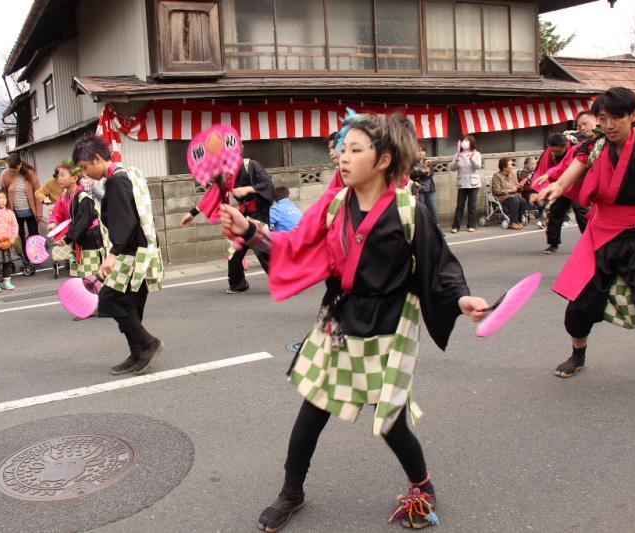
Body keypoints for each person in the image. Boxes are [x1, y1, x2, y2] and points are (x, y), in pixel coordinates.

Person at [219, 112, 489, 532]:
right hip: (340, 321)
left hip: (387, 324)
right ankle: (292, 492)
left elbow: (439, 267)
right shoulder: (334, 205)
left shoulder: (408, 211)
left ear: (383, 160)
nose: (342, 158)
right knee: (312, 409)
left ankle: (423, 487)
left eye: (354, 150)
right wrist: (251, 231)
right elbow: (297, 243)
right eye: (342, 150)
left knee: (390, 421)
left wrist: (460, 298)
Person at [539, 87, 635, 393]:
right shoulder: (595, 146)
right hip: (601, 232)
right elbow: (574, 170)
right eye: (603, 118)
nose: (608, 125)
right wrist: (557, 187)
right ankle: (577, 354)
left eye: (616, 118)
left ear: (633, 116)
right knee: (581, 301)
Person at [73, 133, 164, 376]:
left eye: (84, 167)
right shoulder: (127, 174)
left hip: (131, 252)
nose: (85, 173)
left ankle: (147, 344)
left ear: (97, 158)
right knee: (130, 305)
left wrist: (113, 254)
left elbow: (125, 220)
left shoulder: (116, 181)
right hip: (141, 250)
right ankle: (138, 354)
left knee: (111, 299)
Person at [181, 154, 274, 293]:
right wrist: (192, 213)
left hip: (259, 214)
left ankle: (286, 280)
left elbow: (268, 185)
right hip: (242, 215)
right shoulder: (226, 176)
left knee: (262, 250)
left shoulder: (251, 165)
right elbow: (213, 194)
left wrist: (248, 189)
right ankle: (238, 283)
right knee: (234, 250)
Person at [532, 112, 597, 254]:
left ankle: (592, 242)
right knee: (555, 211)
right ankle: (553, 243)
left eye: (585, 124)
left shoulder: (581, 144)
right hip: (563, 185)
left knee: (582, 212)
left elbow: (567, 164)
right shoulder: (582, 146)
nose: (582, 128)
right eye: (579, 125)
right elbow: (561, 166)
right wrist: (547, 176)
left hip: (580, 185)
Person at [52, 164, 106, 278]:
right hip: (78, 237)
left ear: (74, 178)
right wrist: (53, 222)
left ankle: (96, 294)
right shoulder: (65, 196)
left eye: (62, 175)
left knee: (93, 274)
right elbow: (58, 212)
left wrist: (67, 238)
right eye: (58, 176)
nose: (59, 178)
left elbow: (83, 222)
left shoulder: (83, 196)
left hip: (89, 238)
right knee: (83, 274)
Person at [0, 153, 42, 264]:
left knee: (34, 235)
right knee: (20, 236)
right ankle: (26, 258)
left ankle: (37, 257)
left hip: (30, 211)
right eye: (10, 168)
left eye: (15, 168)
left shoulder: (30, 173)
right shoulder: (5, 175)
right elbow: (2, 193)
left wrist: (39, 212)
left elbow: (38, 193)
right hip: (15, 213)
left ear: (20, 164)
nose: (12, 170)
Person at [450, 134, 482, 233]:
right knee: (460, 205)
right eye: (463, 140)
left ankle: (471, 225)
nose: (465, 142)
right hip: (462, 183)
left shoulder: (476, 154)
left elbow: (478, 166)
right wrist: (456, 161)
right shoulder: (457, 154)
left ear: (471, 142)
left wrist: (471, 158)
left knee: (472, 206)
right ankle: (456, 226)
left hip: (473, 183)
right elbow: (452, 168)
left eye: (467, 140)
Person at [491, 157, 529, 230]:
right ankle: (512, 222)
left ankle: (518, 221)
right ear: (504, 167)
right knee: (514, 201)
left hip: (514, 195)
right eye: (510, 165)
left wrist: (519, 187)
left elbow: (517, 185)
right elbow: (496, 190)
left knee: (522, 201)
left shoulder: (513, 174)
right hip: (503, 197)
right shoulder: (496, 176)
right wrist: (509, 191)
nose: (512, 166)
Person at [410, 142, 438, 228]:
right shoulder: (412, 163)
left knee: (433, 212)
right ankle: (421, 231)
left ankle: (436, 230)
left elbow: (431, 173)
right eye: (418, 151)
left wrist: (421, 174)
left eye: (423, 150)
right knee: (420, 213)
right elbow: (412, 175)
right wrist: (424, 173)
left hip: (429, 190)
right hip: (419, 191)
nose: (421, 152)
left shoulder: (428, 161)